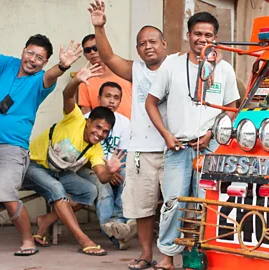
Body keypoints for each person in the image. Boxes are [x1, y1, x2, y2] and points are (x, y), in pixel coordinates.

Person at [146, 11, 240, 270]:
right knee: (173, 203)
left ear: (216, 38)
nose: (202, 39)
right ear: (188, 35)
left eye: (208, 35)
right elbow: (151, 102)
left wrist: (213, 134)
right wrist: (166, 134)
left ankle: (201, 257)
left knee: (205, 204)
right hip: (177, 146)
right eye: (197, 33)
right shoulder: (172, 65)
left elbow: (231, 108)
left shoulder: (224, 68)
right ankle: (167, 257)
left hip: (210, 147)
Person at [89, 0, 168, 268]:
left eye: (153, 41)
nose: (148, 46)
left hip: (174, 149)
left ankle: (170, 256)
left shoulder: (178, 68)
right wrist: (100, 27)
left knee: (174, 206)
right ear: (138, 49)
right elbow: (109, 57)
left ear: (164, 44)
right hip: (141, 151)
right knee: (142, 208)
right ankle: (146, 254)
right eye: (142, 42)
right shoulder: (137, 70)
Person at [22, 62, 126, 256]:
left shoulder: (95, 149)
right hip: (34, 166)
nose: (99, 134)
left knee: (90, 191)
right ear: (88, 122)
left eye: (105, 132)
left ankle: (46, 220)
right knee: (57, 190)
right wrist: (77, 80)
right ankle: (83, 239)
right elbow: (67, 95)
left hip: (60, 172)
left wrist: (110, 170)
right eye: (97, 127)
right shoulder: (75, 118)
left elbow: (102, 176)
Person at [0, 34, 82, 256]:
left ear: (45, 62)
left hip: (12, 149)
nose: (32, 59)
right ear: (23, 51)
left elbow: (51, 76)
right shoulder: (9, 64)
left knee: (8, 197)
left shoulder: (41, 81)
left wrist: (62, 65)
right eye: (30, 53)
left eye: (40, 58)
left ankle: (27, 241)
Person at [81, 81, 135, 250]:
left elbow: (123, 155)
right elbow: (82, 156)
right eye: (108, 96)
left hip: (114, 169)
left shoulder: (125, 123)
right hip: (87, 168)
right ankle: (112, 233)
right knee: (103, 188)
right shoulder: (86, 119)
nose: (112, 101)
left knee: (128, 177)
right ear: (99, 98)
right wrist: (106, 173)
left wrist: (114, 171)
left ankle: (118, 222)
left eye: (116, 98)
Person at [78, 34, 133, 119]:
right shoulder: (85, 81)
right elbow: (86, 114)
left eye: (95, 48)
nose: (92, 52)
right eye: (87, 50)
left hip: (131, 125)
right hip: (103, 129)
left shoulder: (122, 70)